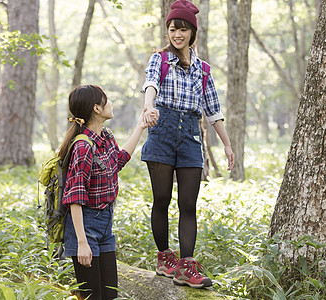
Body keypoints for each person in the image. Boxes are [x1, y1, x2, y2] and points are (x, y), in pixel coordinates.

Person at [140, 0, 235, 289]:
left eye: (182, 29)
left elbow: (214, 111)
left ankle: (187, 265)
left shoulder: (204, 69)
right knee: (162, 199)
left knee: (188, 205)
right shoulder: (160, 59)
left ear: (192, 32)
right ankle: (164, 257)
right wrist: (148, 107)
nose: (176, 34)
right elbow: (151, 84)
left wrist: (228, 146)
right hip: (162, 130)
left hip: (191, 135)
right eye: (172, 29)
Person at [59, 84, 150, 300]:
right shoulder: (82, 147)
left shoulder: (106, 136)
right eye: (106, 100)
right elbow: (75, 198)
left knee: (110, 294)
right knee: (93, 296)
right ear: (97, 109)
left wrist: (140, 127)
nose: (111, 103)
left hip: (105, 224)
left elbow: (118, 161)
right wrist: (82, 242)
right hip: (85, 227)